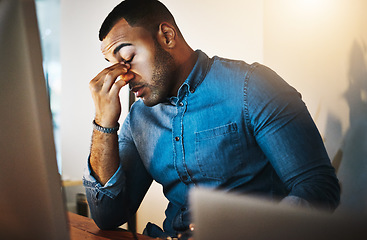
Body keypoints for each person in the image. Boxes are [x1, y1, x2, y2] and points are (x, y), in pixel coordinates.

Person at [83, 0, 340, 238]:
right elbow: (108, 216)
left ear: (167, 36)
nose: (122, 77)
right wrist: (103, 123)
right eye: (111, 64)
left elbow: (318, 188)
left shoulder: (252, 87)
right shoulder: (140, 118)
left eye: (127, 58)